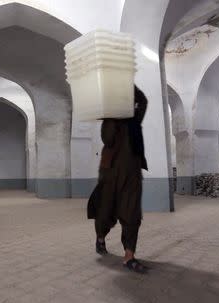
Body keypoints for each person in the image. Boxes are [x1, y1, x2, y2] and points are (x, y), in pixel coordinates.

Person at [87, 85, 148, 274]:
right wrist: (112, 114)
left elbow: (143, 101)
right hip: (110, 172)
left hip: (132, 172)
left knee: (132, 212)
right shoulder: (109, 121)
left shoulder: (135, 120)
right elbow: (108, 138)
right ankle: (100, 238)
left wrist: (126, 82)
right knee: (105, 211)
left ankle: (129, 255)